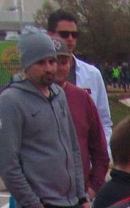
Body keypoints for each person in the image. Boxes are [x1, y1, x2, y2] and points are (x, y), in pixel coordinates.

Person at [0, 30, 88, 208]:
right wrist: (36, 207)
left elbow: (72, 147)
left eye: (51, 61)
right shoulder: (11, 101)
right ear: (26, 65)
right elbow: (8, 164)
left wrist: (81, 196)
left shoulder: (58, 94)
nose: (49, 68)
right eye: (40, 63)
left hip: (72, 206)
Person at [45, 10, 113, 155]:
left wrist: (103, 154)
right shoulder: (41, 74)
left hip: (85, 161)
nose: (70, 39)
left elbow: (104, 120)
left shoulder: (92, 74)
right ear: (50, 35)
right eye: (64, 34)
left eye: (74, 35)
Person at [52, 47, 110, 195]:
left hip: (80, 196)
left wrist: (92, 188)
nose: (59, 67)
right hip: (45, 199)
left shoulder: (82, 98)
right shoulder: (30, 100)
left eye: (63, 62)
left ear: (70, 63)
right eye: (54, 62)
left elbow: (100, 150)